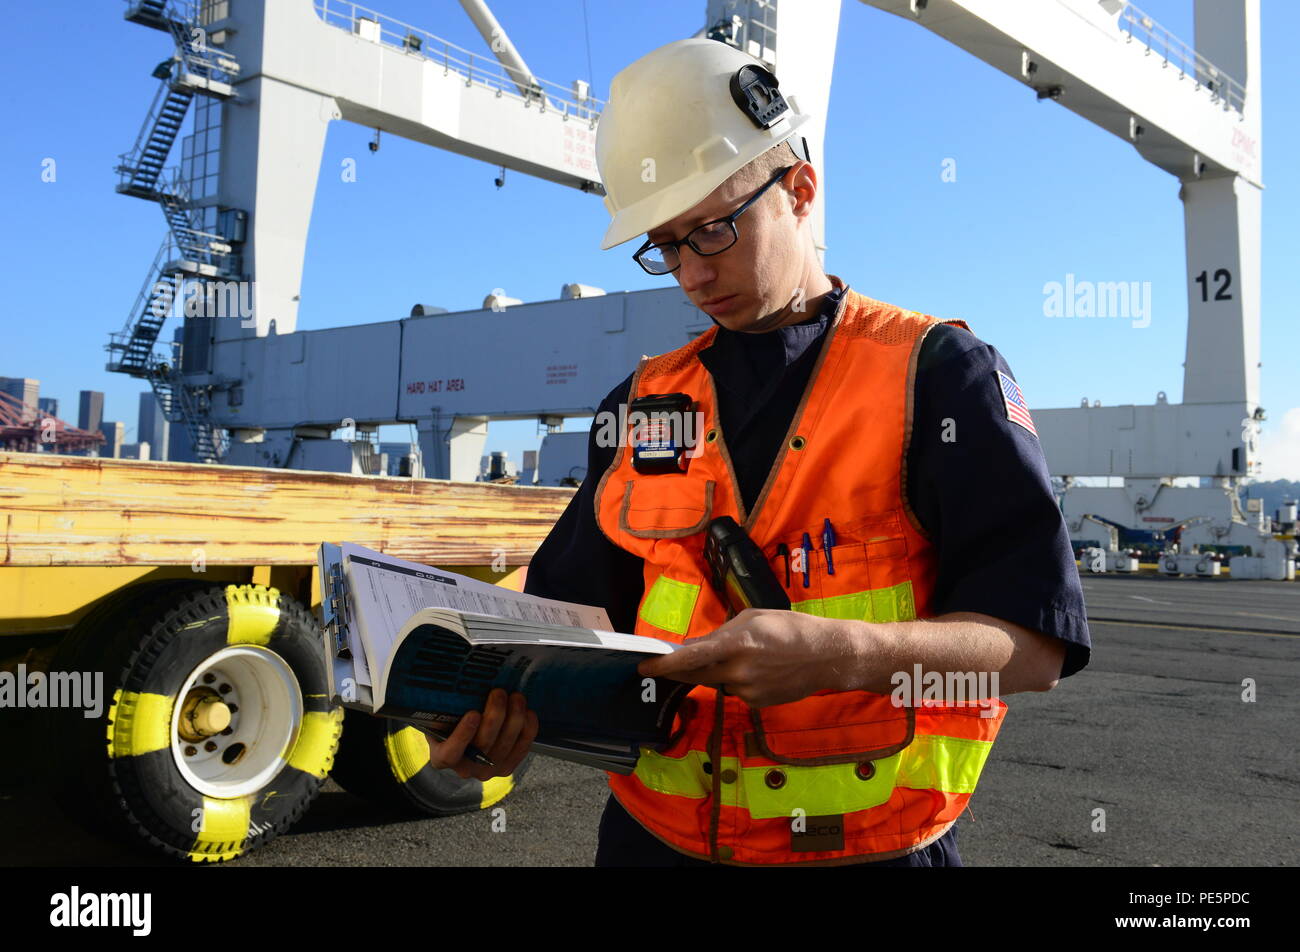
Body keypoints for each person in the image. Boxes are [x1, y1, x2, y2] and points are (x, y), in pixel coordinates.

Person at [428, 37, 1091, 867]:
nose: (691, 275)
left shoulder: (940, 379)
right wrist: (492, 711)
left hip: (869, 850)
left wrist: (841, 658)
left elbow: (1034, 652)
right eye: (665, 246)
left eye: (711, 230)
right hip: (652, 845)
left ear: (800, 190)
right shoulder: (642, 408)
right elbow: (568, 618)